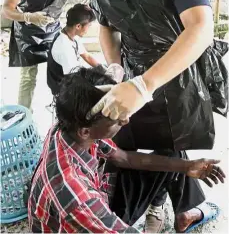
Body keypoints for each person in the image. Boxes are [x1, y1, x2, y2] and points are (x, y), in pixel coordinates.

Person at [62, 0, 228, 232]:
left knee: (169, 135)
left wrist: (144, 86)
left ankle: (166, 209)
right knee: (125, 138)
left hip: (178, 69)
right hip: (132, 67)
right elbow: (107, 28)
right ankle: (167, 209)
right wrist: (116, 70)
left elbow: (200, 28)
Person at [28, 67, 225, 233]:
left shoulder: (70, 127)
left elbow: (123, 158)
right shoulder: (77, 198)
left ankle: (184, 213)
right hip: (83, 214)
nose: (125, 119)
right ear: (86, 131)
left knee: (172, 154)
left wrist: (187, 166)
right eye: (116, 118)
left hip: (97, 195)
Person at [1, 0, 91, 110]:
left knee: (60, 68)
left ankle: (63, 107)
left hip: (53, 28)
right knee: (28, 76)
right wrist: (28, 17)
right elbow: (7, 9)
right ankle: (24, 113)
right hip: (28, 31)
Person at [47, 4, 101, 95]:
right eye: (89, 25)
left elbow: (86, 56)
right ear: (78, 26)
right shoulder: (64, 46)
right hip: (63, 89)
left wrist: (103, 69)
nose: (89, 28)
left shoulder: (71, 35)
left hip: (72, 78)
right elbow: (73, 78)